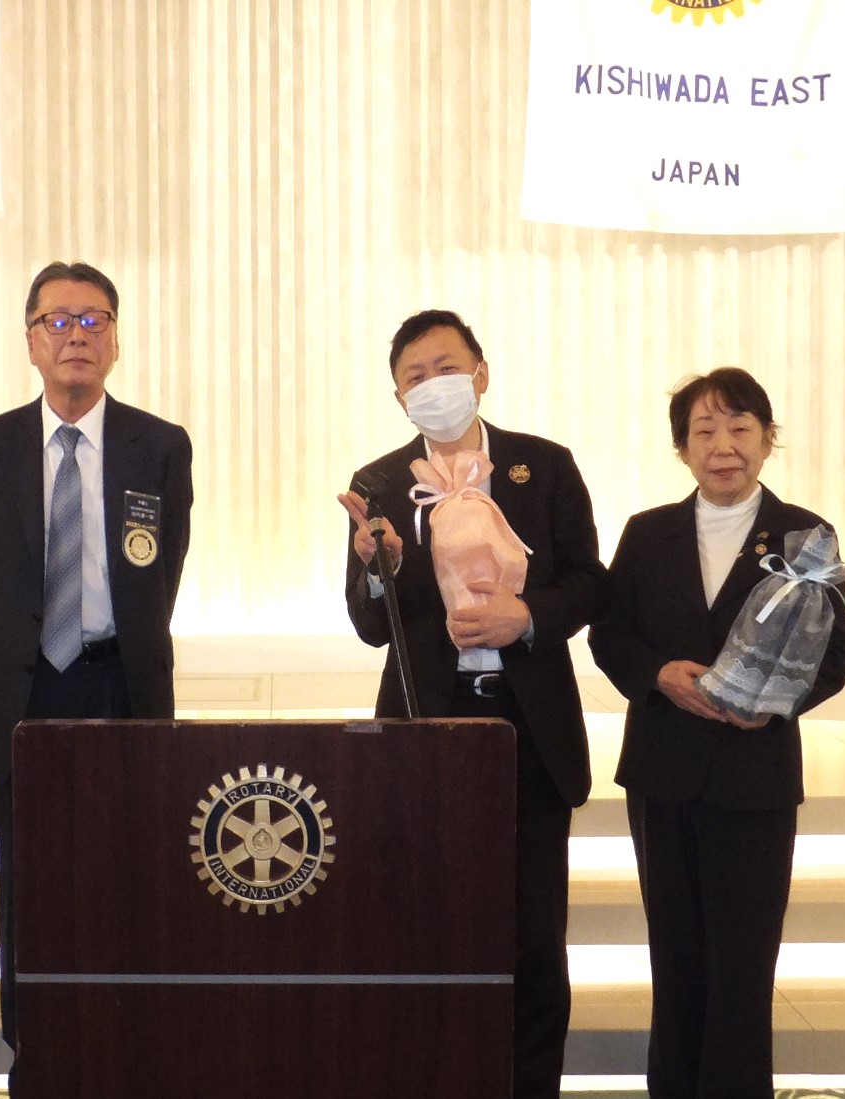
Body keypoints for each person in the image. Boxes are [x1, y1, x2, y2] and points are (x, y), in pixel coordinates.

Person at [338, 309, 607, 1099]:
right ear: (398, 397)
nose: (433, 385)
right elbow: (368, 623)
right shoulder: (378, 484)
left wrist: (527, 616)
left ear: (480, 374)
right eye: (415, 376)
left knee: (532, 938)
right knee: (422, 927)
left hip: (526, 725)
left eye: (446, 367)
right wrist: (381, 567)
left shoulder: (542, 466)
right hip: (425, 727)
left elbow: (588, 582)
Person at [0, 261, 193, 1086]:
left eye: (94, 320)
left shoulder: (159, 445)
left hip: (122, 682)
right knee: (29, 880)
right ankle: (33, 1047)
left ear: (116, 341)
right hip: (26, 688)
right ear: (30, 341)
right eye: (57, 320)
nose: (76, 335)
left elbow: (162, 572)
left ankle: (133, 1039)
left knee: (134, 873)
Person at [588, 367, 845, 1099]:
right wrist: (658, 675)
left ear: (767, 439)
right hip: (663, 773)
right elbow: (610, 636)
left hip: (753, 774)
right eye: (703, 431)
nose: (723, 445)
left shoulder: (804, 535)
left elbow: (836, 653)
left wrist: (774, 702)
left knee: (743, 964)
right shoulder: (648, 533)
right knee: (674, 957)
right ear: (682, 448)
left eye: (740, 427)